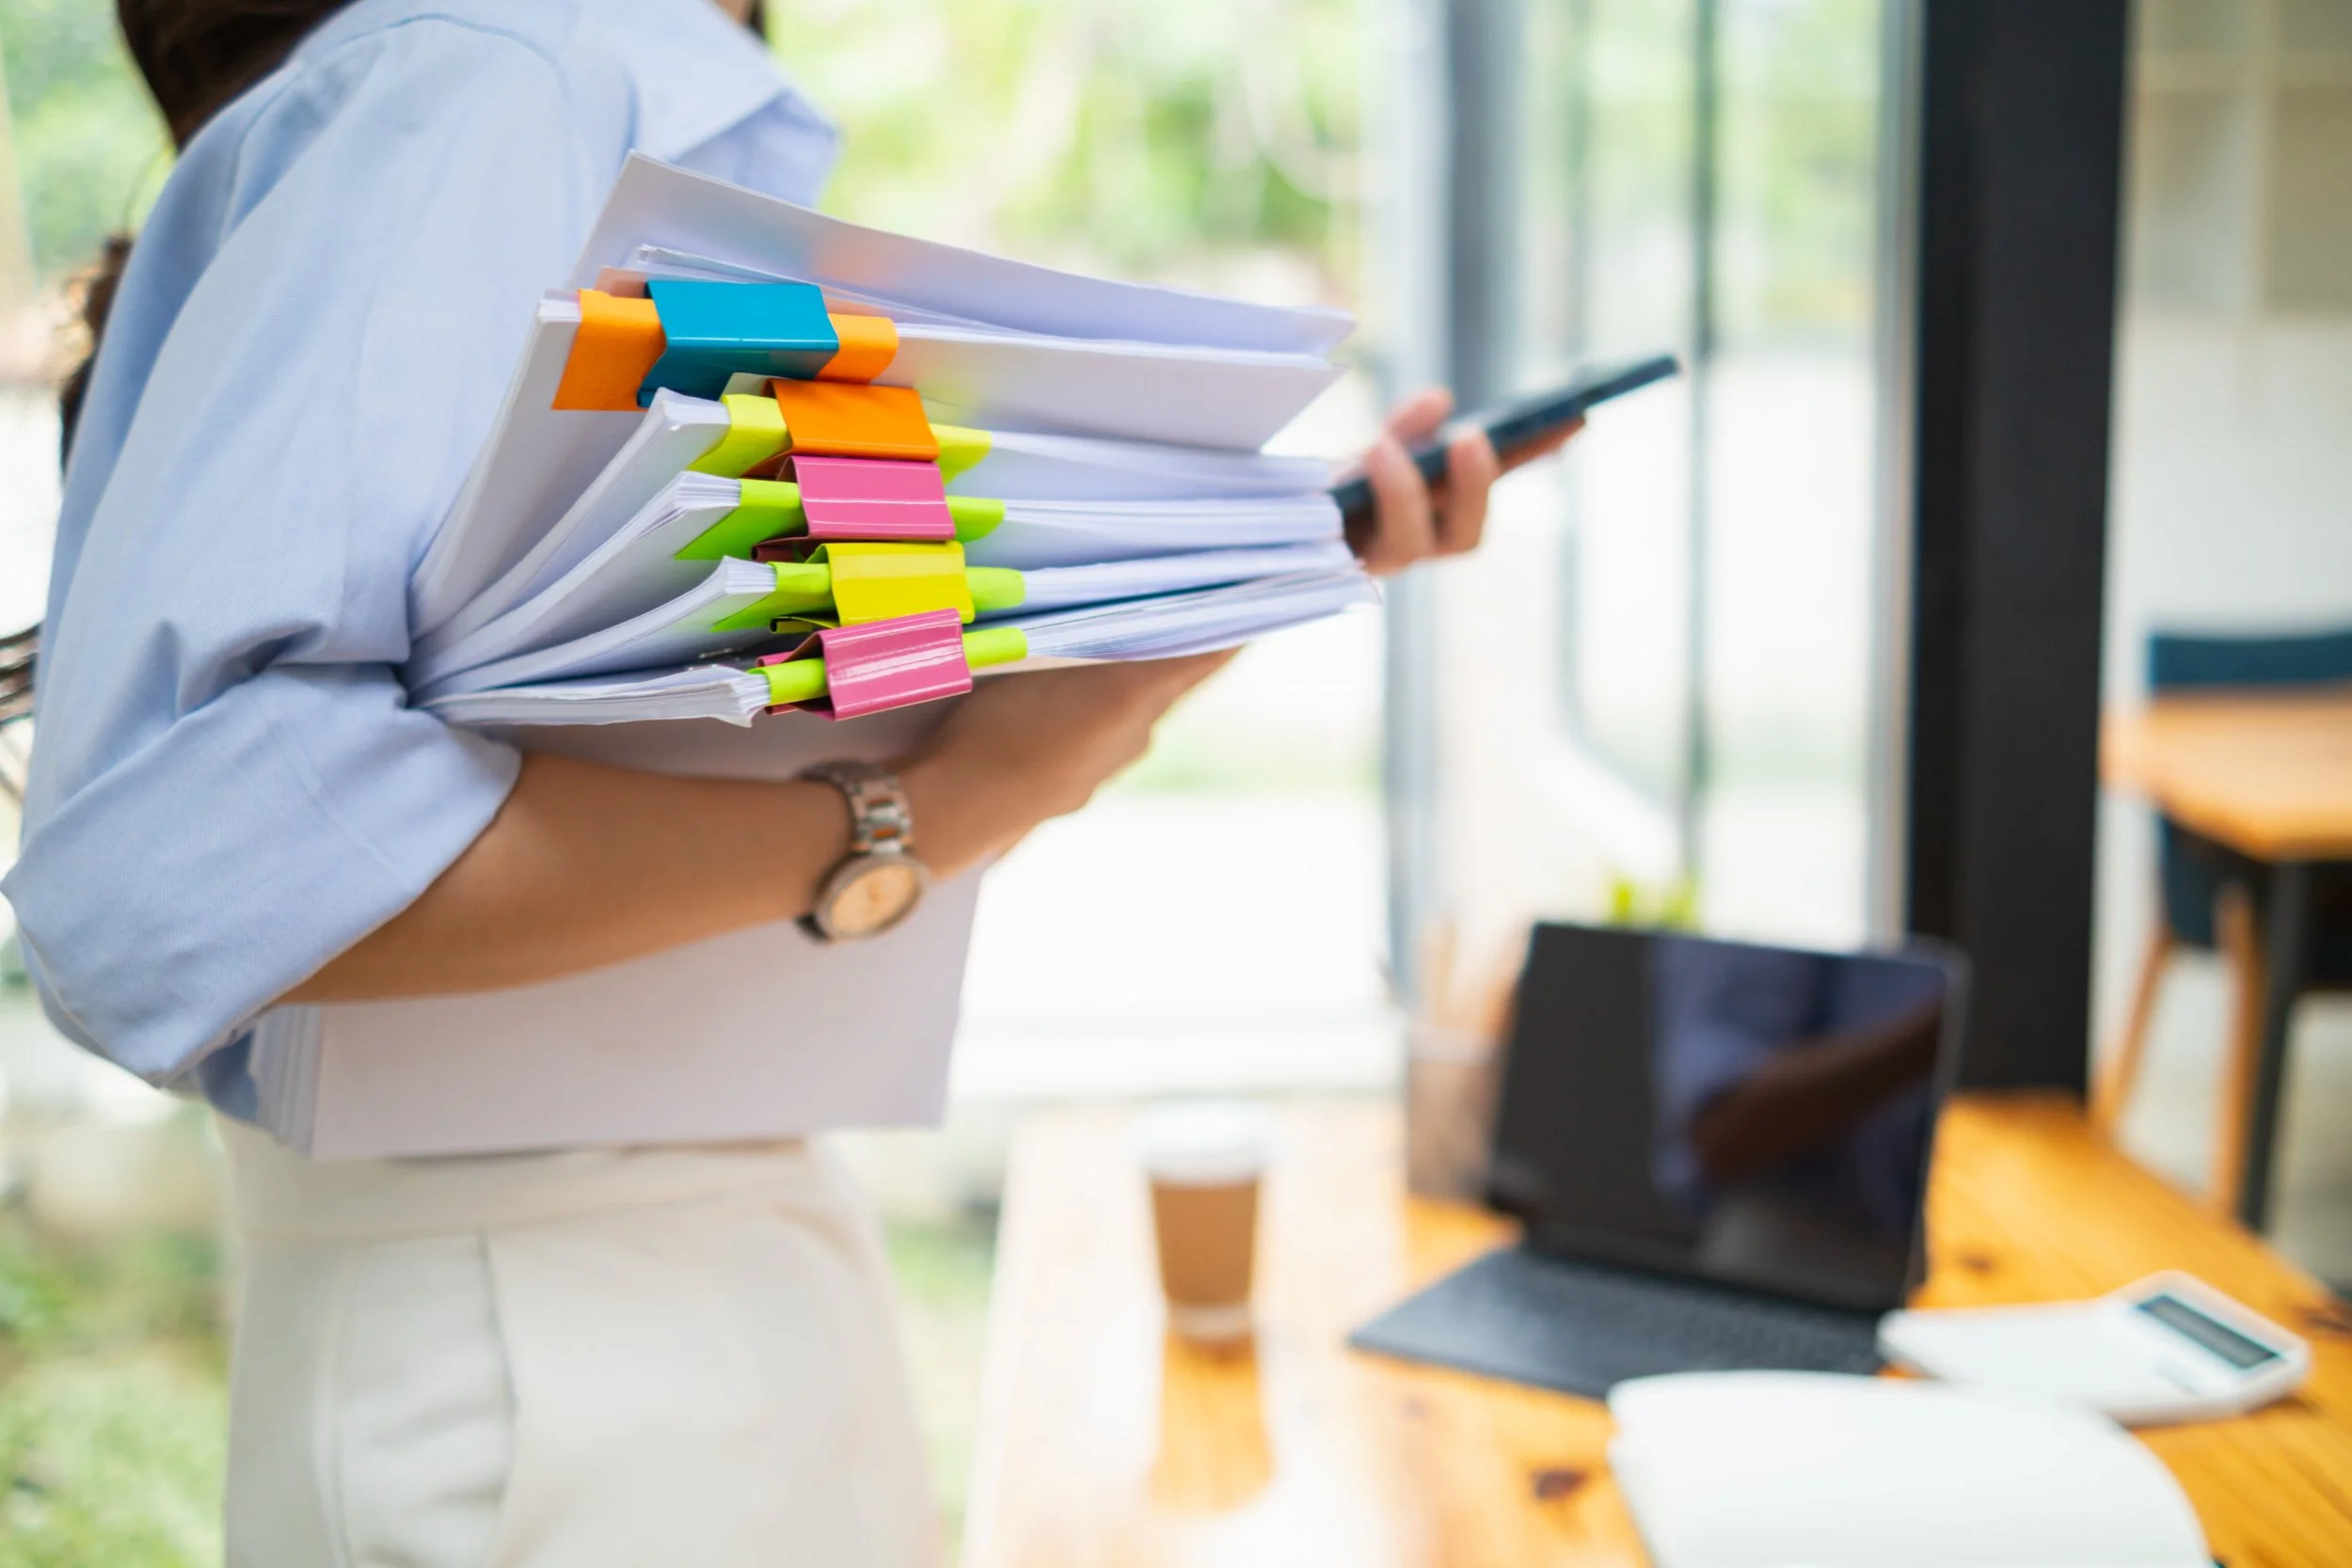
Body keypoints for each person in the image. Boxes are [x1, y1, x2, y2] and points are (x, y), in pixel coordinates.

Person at [6, 0, 1574, 1561]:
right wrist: (918, 820)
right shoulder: (485, 72)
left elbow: (724, 789)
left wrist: (1177, 616)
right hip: (550, 1364)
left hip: (666, 1310)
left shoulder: (551, 97)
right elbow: (196, 848)